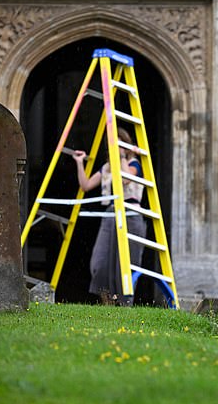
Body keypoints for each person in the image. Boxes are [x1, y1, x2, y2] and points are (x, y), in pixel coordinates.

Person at [72, 127, 147, 306]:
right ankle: (107, 302)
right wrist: (79, 162)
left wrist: (121, 156)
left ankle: (125, 304)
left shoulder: (134, 163)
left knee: (126, 264)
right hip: (111, 215)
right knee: (100, 262)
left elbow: (126, 179)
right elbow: (86, 185)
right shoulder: (107, 167)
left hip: (131, 214)